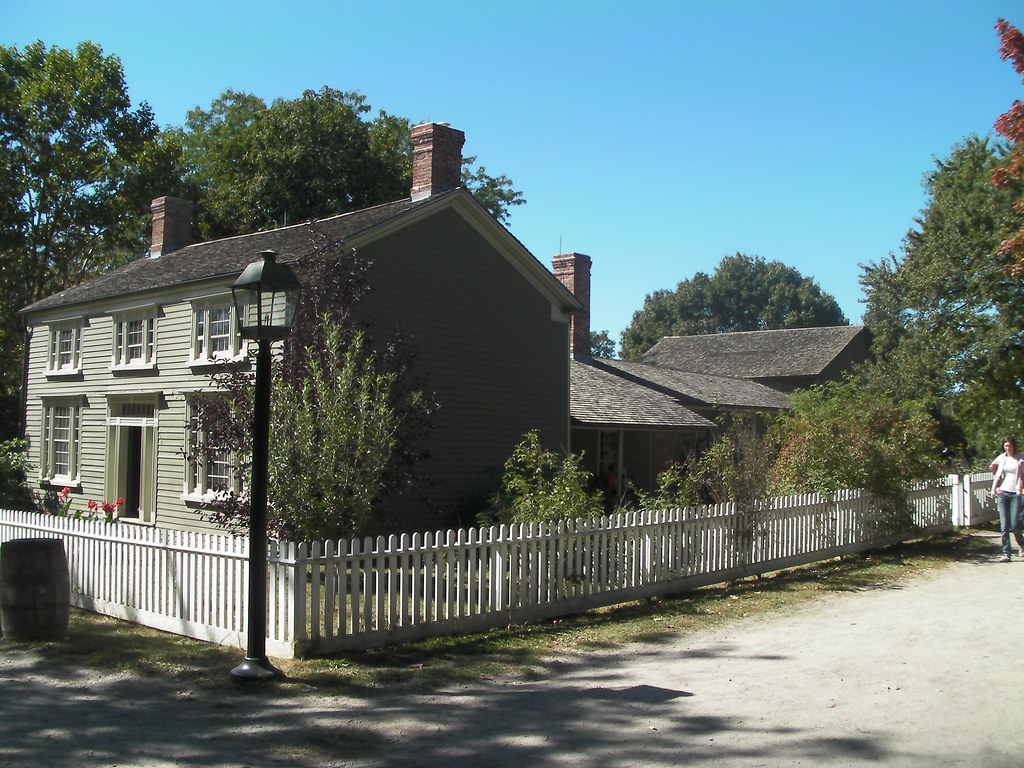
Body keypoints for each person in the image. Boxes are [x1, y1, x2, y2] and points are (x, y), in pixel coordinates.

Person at [989, 437, 1024, 562]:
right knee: (1004, 525)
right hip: (1003, 492)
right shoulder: (1002, 458)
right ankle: (1006, 553)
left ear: (1014, 446)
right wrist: (997, 487)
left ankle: (1022, 544)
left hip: (1016, 493)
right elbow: (993, 468)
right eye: (1005, 446)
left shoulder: (1020, 458)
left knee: (1015, 525)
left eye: (1010, 446)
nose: (1008, 448)